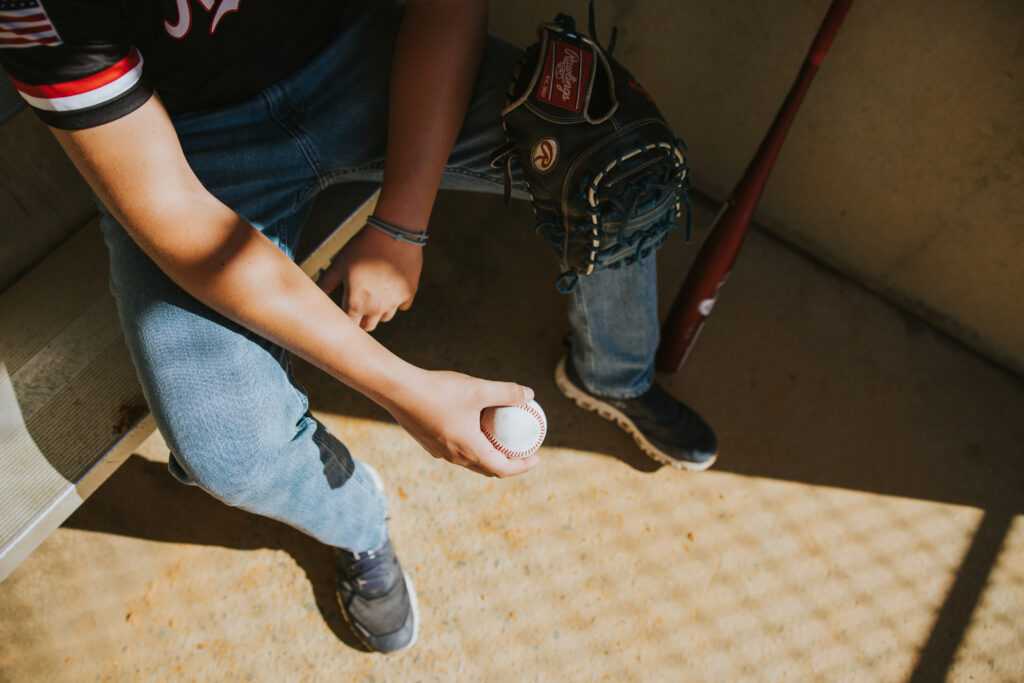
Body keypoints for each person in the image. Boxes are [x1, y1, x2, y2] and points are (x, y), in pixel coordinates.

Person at [0, 0, 717, 653]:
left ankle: (610, 371)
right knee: (230, 452)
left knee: (622, 164)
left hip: (363, 50)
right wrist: (405, 390)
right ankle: (359, 522)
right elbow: (172, 211)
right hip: (189, 142)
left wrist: (403, 223)